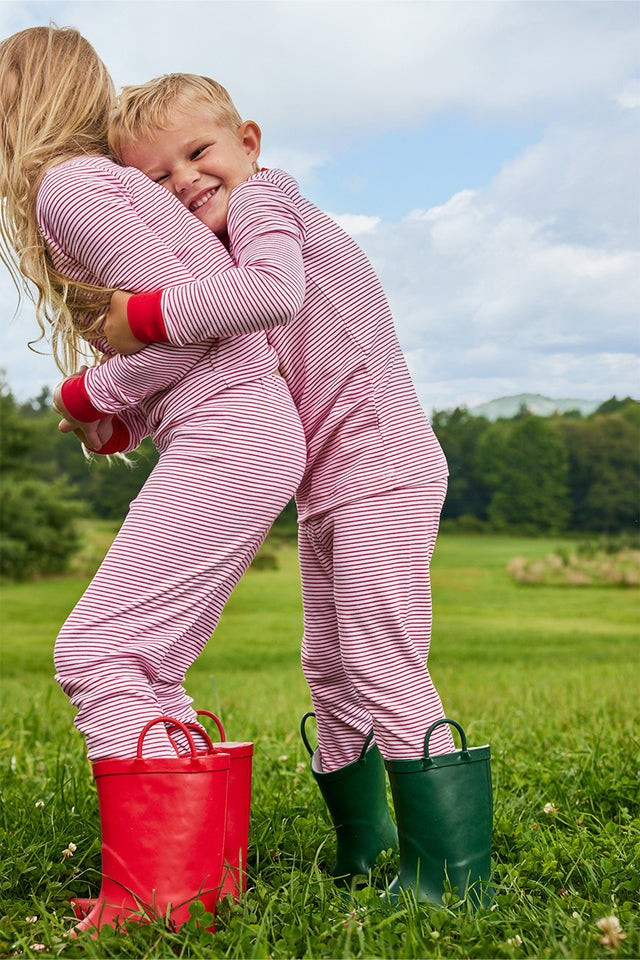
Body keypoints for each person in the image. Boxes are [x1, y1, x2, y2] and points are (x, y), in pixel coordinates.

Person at [102, 73, 493, 905]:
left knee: (381, 653)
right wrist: (128, 414)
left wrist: (134, 320)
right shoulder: (237, 247)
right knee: (328, 663)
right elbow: (239, 359)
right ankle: (365, 841)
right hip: (331, 482)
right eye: (157, 180)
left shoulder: (265, 209)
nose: (185, 182)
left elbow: (259, 302)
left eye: (198, 153)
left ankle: (453, 878)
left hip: (379, 467)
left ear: (249, 139)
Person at [0, 27, 306, 931]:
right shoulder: (97, 187)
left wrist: (91, 390)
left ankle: (157, 900)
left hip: (232, 426)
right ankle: (193, 882)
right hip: (239, 424)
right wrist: (123, 407)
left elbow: (194, 318)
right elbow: (184, 315)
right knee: (146, 662)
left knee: (95, 652)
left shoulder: (69, 188)